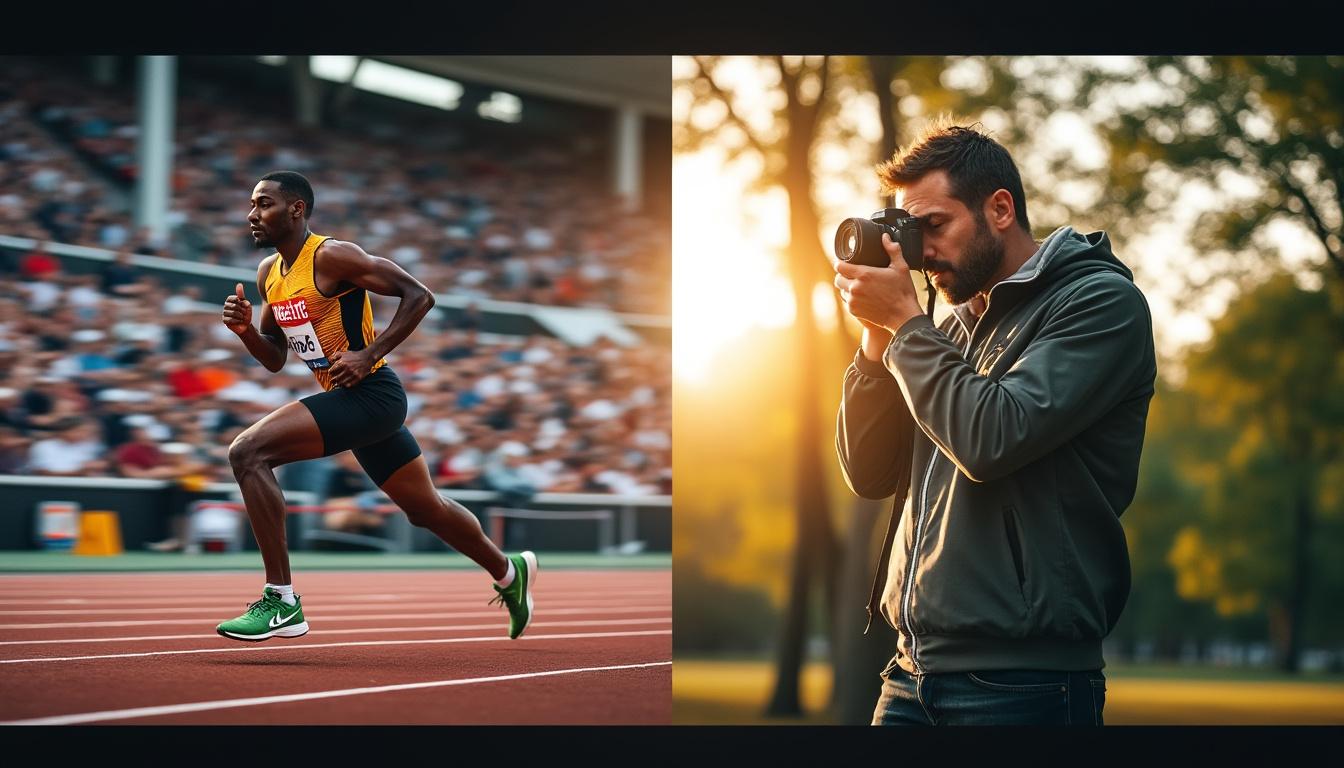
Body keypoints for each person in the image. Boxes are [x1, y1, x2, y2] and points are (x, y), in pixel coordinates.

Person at [832, 123, 1156, 726]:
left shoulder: (1098, 303)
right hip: (908, 676)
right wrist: (879, 342)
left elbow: (991, 438)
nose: (924, 253)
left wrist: (905, 327)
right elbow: (871, 473)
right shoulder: (943, 333)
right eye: (912, 230)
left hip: (1025, 683)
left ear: (1000, 209)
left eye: (936, 225)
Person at [215, 170, 536, 642]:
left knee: (247, 453)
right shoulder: (270, 275)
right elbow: (275, 356)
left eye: (263, 203)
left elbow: (420, 296)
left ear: (296, 209)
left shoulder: (331, 255)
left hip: (373, 394)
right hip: (349, 399)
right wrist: (245, 331)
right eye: (252, 204)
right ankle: (509, 573)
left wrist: (368, 354)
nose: (252, 214)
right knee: (425, 509)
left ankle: (281, 601)